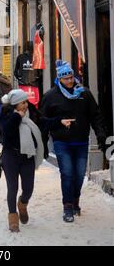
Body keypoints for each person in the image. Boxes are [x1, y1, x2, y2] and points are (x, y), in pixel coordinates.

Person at [40, 60, 107, 223]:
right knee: (67, 174)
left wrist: (100, 134)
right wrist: (43, 144)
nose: (70, 81)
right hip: (62, 142)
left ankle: (75, 200)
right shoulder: (50, 96)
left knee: (78, 175)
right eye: (66, 78)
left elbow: (95, 115)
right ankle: (67, 206)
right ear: (59, 79)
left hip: (81, 141)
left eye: (71, 77)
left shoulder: (84, 94)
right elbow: (42, 120)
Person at [0, 89, 44, 233]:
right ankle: (13, 218)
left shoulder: (32, 114)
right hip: (10, 156)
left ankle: (23, 203)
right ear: (14, 104)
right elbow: (6, 131)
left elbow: (44, 122)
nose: (25, 105)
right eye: (21, 103)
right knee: (12, 188)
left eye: (26, 102)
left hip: (27, 158)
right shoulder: (6, 115)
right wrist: (17, 117)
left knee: (28, 189)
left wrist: (59, 121)